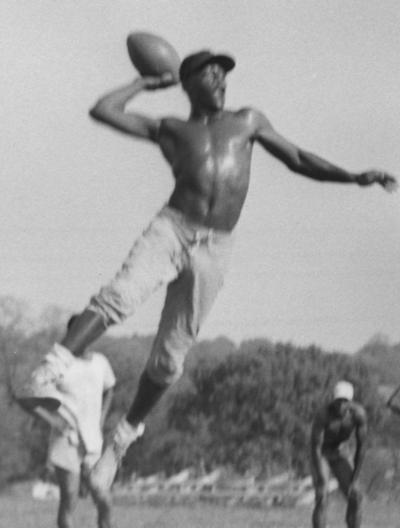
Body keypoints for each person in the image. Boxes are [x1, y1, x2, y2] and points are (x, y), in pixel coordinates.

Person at [27, 49, 396, 491]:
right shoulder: (171, 129)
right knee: (120, 295)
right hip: (172, 229)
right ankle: (49, 370)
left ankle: (121, 441)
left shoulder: (248, 121)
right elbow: (103, 110)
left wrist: (353, 176)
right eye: (211, 72)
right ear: (187, 82)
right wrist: (145, 83)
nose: (222, 80)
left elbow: (298, 158)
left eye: (225, 74)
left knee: (169, 359)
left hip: (216, 247)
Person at [33, 316, 116, 528]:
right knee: (69, 498)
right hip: (66, 441)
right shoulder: (57, 365)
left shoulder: (100, 362)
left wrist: (102, 417)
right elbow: (31, 394)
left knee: (103, 497)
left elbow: (109, 389)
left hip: (93, 440)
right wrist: (53, 420)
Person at [310, 381, 367, 528]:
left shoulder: (358, 414)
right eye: (338, 401)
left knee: (355, 496)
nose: (341, 405)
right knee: (322, 495)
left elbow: (361, 447)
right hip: (321, 453)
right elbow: (315, 446)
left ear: (351, 402)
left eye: (345, 401)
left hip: (340, 452)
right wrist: (321, 476)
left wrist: (355, 477)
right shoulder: (323, 414)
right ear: (333, 400)